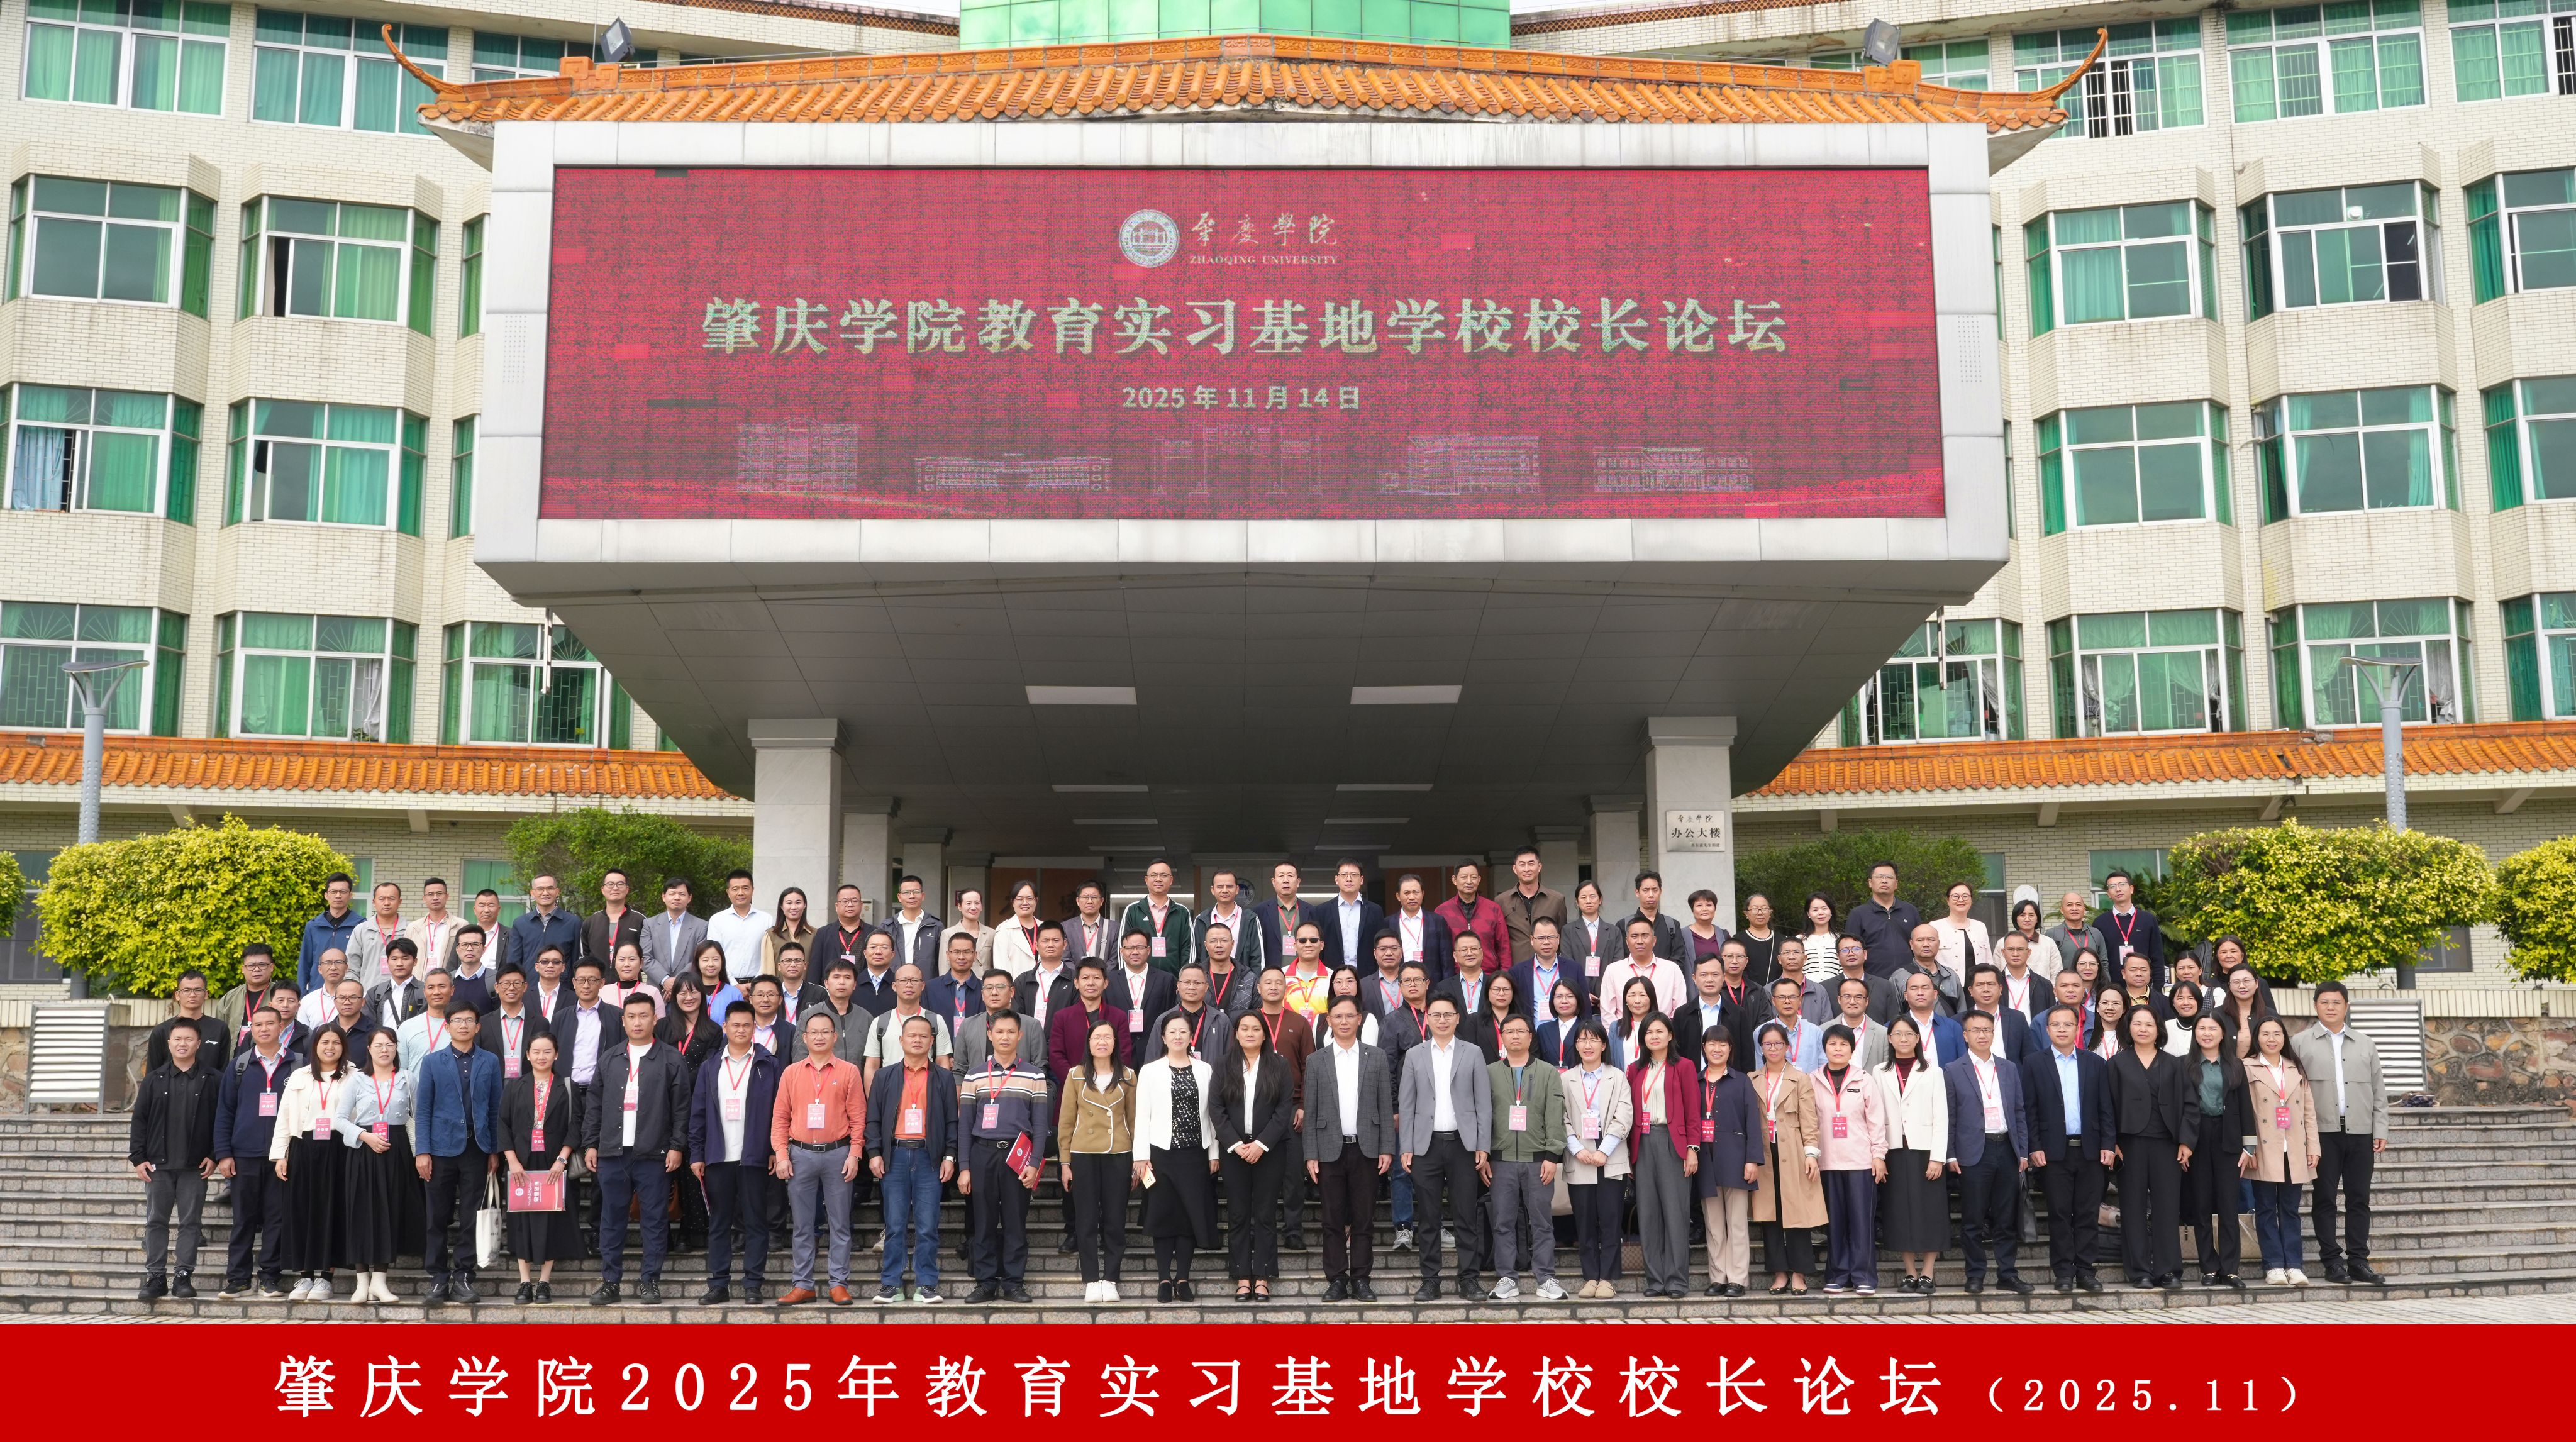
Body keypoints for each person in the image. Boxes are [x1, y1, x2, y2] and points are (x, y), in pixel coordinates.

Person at [583, 994, 691, 1305]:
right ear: (623, 1021)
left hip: (654, 1153)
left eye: (644, 1016)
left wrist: (677, 1146)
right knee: (611, 1219)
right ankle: (610, 1282)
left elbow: (681, 1108)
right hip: (613, 1152)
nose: (638, 1022)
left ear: (655, 1019)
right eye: (631, 1017)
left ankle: (650, 1282)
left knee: (654, 1220)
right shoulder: (610, 1058)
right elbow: (594, 1105)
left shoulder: (671, 1059)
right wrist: (590, 1144)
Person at [1294, 994, 1391, 1302]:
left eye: (1350, 1016)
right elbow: (1310, 1110)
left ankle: (1361, 1278)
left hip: (1366, 1148)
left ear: (1360, 1019)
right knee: (1332, 1219)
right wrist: (1311, 1153)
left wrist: (1387, 1148)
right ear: (1329, 1021)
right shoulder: (1317, 1060)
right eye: (1338, 1016)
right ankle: (1336, 1279)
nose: (1345, 1021)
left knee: (1364, 1219)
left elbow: (1385, 1106)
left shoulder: (1376, 1057)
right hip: (1329, 1149)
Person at [2292, 981, 2388, 1284]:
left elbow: (2378, 1091)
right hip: (2322, 1133)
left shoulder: (2365, 1044)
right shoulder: (2299, 1043)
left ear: (2346, 1006)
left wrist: (2380, 1128)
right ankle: (2332, 1262)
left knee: (2359, 1198)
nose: (2331, 1007)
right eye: (2324, 1002)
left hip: (2361, 1132)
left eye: (2336, 1002)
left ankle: (2359, 1261)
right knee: (2325, 1198)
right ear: (2315, 1006)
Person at [689, 1002, 782, 1305]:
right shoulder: (711, 1066)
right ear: (725, 1028)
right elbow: (698, 1113)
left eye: (746, 1025)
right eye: (735, 1025)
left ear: (754, 1028)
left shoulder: (769, 1064)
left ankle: (753, 1284)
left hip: (755, 1156)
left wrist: (774, 1149)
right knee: (719, 1223)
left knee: (756, 1221)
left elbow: (780, 1112)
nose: (741, 1030)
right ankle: (719, 1284)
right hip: (718, 1156)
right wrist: (697, 1153)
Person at [1398, 995, 1490, 1301]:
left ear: (1457, 1018)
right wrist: (1407, 1146)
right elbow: (1407, 1104)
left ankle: (1470, 1280)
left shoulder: (1472, 1052)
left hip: (1463, 1145)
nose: (1442, 1020)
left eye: (1448, 1015)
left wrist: (1483, 1144)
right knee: (1428, 1217)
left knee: (1465, 1216)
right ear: (1428, 1019)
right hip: (1426, 1146)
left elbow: (1483, 1103)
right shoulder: (1415, 1055)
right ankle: (1430, 1280)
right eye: (1436, 1015)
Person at [2020, 1002, 2115, 1294]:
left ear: (2077, 1029)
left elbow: (2106, 1108)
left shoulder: (2095, 1063)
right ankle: (2063, 1271)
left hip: (2090, 1151)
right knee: (2059, 1214)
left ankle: (2086, 1271)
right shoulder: (2034, 1063)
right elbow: (2029, 1110)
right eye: (2056, 1025)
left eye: (2068, 1025)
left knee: (2087, 1213)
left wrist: (2108, 1144)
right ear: (2047, 1030)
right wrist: (2034, 1147)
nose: (2062, 1030)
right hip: (2053, 1152)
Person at [773, 1011, 865, 1306]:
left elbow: (858, 1118)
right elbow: (780, 1118)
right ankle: (803, 1285)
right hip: (800, 1155)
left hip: (838, 1154)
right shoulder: (791, 1073)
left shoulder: (849, 1071)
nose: (820, 1037)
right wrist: (782, 1154)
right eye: (814, 1032)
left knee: (840, 1224)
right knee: (802, 1225)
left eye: (826, 1032)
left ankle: (838, 1283)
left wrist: (855, 1154)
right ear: (805, 1038)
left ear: (835, 1037)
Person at [411, 1003, 501, 1305]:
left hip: (477, 1148)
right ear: (447, 1026)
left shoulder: (490, 1061)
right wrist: (422, 1151)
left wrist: (495, 1150)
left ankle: (463, 1276)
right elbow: (423, 1109)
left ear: (478, 1027)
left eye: (469, 1020)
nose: (464, 1025)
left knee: (471, 1216)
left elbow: (495, 1108)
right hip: (439, 1150)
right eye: (458, 1020)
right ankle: (438, 1277)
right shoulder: (432, 1062)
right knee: (436, 1216)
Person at [865, 1013, 957, 1304]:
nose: (917, 1040)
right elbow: (873, 1119)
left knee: (927, 1226)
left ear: (932, 1042)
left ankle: (926, 1284)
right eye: (912, 1036)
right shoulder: (884, 1076)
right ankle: (891, 1284)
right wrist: (874, 1153)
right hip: (894, 1156)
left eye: (923, 1036)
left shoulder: (943, 1077)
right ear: (901, 1040)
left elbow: (952, 1121)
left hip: (930, 1157)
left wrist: (950, 1156)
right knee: (894, 1225)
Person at [957, 1011, 1047, 1303]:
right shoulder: (974, 1075)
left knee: (1015, 1222)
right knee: (983, 1222)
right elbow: (965, 1125)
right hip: (982, 1153)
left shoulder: (1034, 1075)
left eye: (1011, 1032)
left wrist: (1035, 1164)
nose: (1005, 1037)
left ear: (1020, 1036)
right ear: (990, 1035)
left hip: (1017, 1155)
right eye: (1000, 1032)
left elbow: (1041, 1125)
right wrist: (965, 1167)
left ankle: (1013, 1283)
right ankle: (985, 1283)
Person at [1945, 1009, 2035, 1295]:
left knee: (2006, 1218)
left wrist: (2023, 1151)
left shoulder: (2008, 1068)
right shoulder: (1953, 1070)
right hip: (1973, 1152)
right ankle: (1975, 1275)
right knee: (1973, 1219)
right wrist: (1950, 1154)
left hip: (2007, 1149)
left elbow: (2019, 1111)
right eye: (1976, 1030)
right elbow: (1950, 1116)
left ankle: (2007, 1274)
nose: (1982, 1035)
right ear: (1965, 1036)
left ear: (1994, 1034)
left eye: (1987, 1030)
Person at [130, 1019, 220, 1302]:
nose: (183, 1044)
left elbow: (221, 1121)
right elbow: (139, 1120)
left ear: (198, 1043)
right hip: (158, 1165)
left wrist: (215, 1155)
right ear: (169, 1044)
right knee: (156, 1221)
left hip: (195, 1166)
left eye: (189, 1039)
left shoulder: (213, 1079)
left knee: (191, 1222)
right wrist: (138, 1158)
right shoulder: (154, 1079)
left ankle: (183, 1276)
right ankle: (155, 1276)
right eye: (177, 1039)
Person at [1134, 1014, 1219, 1301]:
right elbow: (1142, 1115)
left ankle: (1183, 1278)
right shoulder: (1150, 1071)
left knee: (1188, 1217)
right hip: (1160, 1153)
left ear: (1191, 1036)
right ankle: (1163, 1279)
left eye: (1184, 1031)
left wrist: (1214, 1152)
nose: (1178, 1036)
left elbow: (1212, 1115)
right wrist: (1141, 1156)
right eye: (1172, 1032)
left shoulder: (1205, 1069)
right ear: (1163, 1037)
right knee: (1163, 1216)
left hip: (1195, 1153)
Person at [214, 1006, 297, 1298]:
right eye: (258, 1024)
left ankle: (270, 1277)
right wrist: (224, 1153)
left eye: (270, 1024)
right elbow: (225, 1112)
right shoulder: (239, 1065)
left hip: (282, 1156)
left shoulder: (298, 1064)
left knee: (277, 1218)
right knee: (244, 1219)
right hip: (244, 1154)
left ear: (281, 1027)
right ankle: (238, 1278)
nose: (264, 1029)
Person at [1482, 1014, 1567, 1301]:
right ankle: (1507, 1277)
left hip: (1538, 1160)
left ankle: (1546, 1278)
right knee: (1503, 1222)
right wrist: (1484, 1155)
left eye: (1522, 1031)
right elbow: (1483, 1116)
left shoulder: (1548, 1072)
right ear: (1502, 1037)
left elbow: (1555, 1116)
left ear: (1531, 1037)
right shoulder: (1489, 1072)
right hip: (1500, 1160)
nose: (1516, 1036)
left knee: (1542, 1222)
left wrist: (1553, 1155)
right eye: (1510, 1031)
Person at [333, 1026, 418, 1306]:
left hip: (397, 1150)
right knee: (360, 1212)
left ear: (396, 1048)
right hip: (364, 1150)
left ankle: (380, 1281)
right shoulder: (357, 1080)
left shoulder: (407, 1078)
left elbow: (416, 1117)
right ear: (369, 1049)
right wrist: (365, 1136)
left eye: (389, 1045)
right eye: (378, 1045)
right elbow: (339, 1120)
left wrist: (420, 1154)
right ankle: (362, 1282)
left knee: (390, 1212)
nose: (384, 1050)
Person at [1211, 1011, 1291, 1302]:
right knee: (1238, 1213)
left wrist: (1262, 1144)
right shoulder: (1223, 1064)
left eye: (1256, 1029)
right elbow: (1216, 1108)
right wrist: (1235, 1144)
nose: (1249, 1033)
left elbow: (1284, 1109)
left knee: (1266, 1213)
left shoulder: (1279, 1065)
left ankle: (1263, 1276)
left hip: (1269, 1150)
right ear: (1236, 1033)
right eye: (1244, 1028)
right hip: (1235, 1151)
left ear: (1264, 1034)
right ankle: (1242, 1276)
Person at [269, 1024, 352, 1301]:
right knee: (301, 1211)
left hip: (340, 1148)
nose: (330, 1047)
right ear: (315, 1046)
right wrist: (280, 1155)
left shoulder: (355, 1075)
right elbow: (284, 1117)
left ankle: (325, 1278)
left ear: (343, 1046)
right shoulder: (299, 1076)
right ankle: (304, 1276)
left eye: (336, 1042)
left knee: (332, 1210)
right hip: (303, 1147)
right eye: (324, 1042)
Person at [500, 1032, 583, 1303]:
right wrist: (512, 1160)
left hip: (554, 1164)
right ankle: (525, 1282)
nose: (541, 1057)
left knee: (552, 1220)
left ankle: (544, 1282)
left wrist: (562, 1159)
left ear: (556, 1055)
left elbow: (576, 1125)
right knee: (521, 1221)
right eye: (536, 1052)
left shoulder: (567, 1086)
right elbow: (503, 1123)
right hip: (521, 1164)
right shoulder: (514, 1086)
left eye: (547, 1051)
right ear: (527, 1055)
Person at [1057, 1019, 1137, 1302]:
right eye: (1097, 1037)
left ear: (1115, 1043)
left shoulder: (1128, 1076)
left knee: (1115, 1220)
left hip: (1119, 1154)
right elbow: (1066, 1122)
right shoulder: (1076, 1075)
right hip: (1084, 1154)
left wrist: (1138, 1159)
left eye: (1107, 1037)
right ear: (1089, 1043)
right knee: (1087, 1220)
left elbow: (1134, 1120)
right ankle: (1091, 1279)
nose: (1102, 1042)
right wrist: (1064, 1163)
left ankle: (1111, 1278)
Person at [2109, 1003, 2187, 1289]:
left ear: (2158, 1030)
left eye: (2149, 1024)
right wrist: (2111, 1142)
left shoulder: (2174, 1064)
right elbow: (2107, 1106)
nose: (2143, 1029)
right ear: (2128, 1028)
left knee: (2168, 1207)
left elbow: (2189, 1105)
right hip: (2129, 1144)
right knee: (2133, 1207)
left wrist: (2186, 1142)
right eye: (2137, 1024)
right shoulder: (2117, 1064)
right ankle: (2139, 1270)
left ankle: (2168, 1271)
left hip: (2167, 1144)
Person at [1621, 1014, 1698, 1299]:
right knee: (1648, 1214)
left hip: (1673, 1143)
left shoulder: (1684, 1066)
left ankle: (1677, 1280)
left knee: (1676, 1214)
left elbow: (1693, 1111)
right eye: (1648, 1032)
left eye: (1659, 1031)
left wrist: (1692, 1149)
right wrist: (1629, 1154)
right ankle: (1655, 1280)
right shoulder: (1635, 1069)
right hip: (1642, 1144)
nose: (1654, 1036)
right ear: (1643, 1038)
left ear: (1670, 1035)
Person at [1873, 1015, 1951, 1294]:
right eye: (1897, 1034)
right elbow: (1876, 1114)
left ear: (1918, 1038)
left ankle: (1928, 1273)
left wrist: (1938, 1157)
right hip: (1893, 1150)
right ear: (1890, 1038)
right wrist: (1879, 1154)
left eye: (1909, 1034)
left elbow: (1941, 1116)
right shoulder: (1879, 1071)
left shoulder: (1933, 1071)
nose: (1903, 1039)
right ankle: (1909, 1273)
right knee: (1899, 1212)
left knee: (1931, 1211)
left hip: (1925, 1150)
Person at [1809, 1023, 1887, 1296]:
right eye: (1832, 1044)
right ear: (1825, 1049)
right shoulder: (1813, 1080)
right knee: (1836, 1223)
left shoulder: (1864, 1079)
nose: (1838, 1049)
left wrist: (1879, 1155)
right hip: (1828, 1162)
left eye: (1844, 1044)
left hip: (1861, 1162)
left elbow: (1876, 1120)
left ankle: (1864, 1276)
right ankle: (1838, 1275)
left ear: (1852, 1050)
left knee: (1862, 1222)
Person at [1748, 1021, 1824, 1295]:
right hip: (1764, 1152)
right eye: (1767, 1044)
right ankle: (1779, 1273)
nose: (1773, 1048)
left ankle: (1799, 1274)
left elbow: (1810, 1119)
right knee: (1770, 1216)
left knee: (1797, 1214)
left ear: (1787, 1047)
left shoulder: (1800, 1078)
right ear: (1761, 1048)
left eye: (1778, 1043)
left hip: (1793, 1149)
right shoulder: (1752, 1079)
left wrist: (1811, 1153)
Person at [1556, 1019, 1631, 1297]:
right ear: (1576, 1045)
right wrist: (1578, 1150)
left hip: (1611, 1152)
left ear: (1604, 1044)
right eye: (1582, 1040)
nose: (1588, 1045)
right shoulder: (1565, 1079)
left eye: (1593, 1040)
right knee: (1585, 1221)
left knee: (1610, 1219)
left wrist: (1604, 1150)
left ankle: (1607, 1279)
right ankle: (1590, 1277)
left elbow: (1625, 1116)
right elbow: (1560, 1118)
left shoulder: (1618, 1076)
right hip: (1580, 1154)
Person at [2179, 1013, 2253, 1289]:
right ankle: (2209, 1267)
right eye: (2202, 1028)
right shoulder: (2183, 1065)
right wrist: (2182, 1143)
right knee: (2201, 1206)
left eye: (2213, 1028)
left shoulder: (2235, 1065)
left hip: (2228, 1138)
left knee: (2228, 1205)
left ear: (2223, 1034)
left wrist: (2249, 1146)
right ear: (2195, 1033)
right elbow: (2179, 1108)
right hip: (2197, 1138)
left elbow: (2246, 1106)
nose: (2207, 1033)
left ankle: (2230, 1269)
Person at [2246, 1017, 2321, 1285]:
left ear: (2284, 1038)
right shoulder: (2247, 1067)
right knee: (2266, 1208)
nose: (2272, 1039)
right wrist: (2249, 1147)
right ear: (2257, 1038)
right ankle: (2274, 1266)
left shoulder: (2295, 1068)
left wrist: (2313, 1146)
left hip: (2294, 1148)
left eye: (2277, 1033)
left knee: (2290, 1209)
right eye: (2265, 1034)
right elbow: (2245, 1113)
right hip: (2264, 1148)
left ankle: (2295, 1265)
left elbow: (2309, 1112)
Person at [1691, 1028, 1762, 1296]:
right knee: (1713, 1224)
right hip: (1705, 1161)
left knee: (1737, 1224)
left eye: (1723, 1044)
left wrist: (1752, 1160)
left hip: (1736, 1159)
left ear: (1731, 1049)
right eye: (1712, 1044)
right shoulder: (1695, 1082)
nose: (1717, 1049)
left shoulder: (1741, 1081)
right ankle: (1718, 1277)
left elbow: (1753, 1121)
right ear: (1704, 1047)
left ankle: (1738, 1279)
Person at [1437, 860, 1514, 984]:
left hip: (1489, 977)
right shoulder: (1442, 911)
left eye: (1473, 877)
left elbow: (1504, 947)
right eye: (1464, 877)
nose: (1469, 881)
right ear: (1454, 880)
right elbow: (1439, 951)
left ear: (1479, 880)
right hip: (1455, 978)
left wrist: (1504, 977)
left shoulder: (1493, 909)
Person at [1106, 928, 1178, 1058]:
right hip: (1119, 1053)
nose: (1135, 952)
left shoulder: (1166, 980)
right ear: (1122, 951)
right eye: (1129, 948)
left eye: (1140, 947)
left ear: (1149, 950)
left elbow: (1171, 1017)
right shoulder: (1109, 981)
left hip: (1156, 1052)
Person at [1846, 860, 1923, 977]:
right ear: (1870, 882)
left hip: (1909, 979)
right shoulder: (1858, 914)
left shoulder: (1910, 911)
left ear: (1896, 884)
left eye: (1889, 877)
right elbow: (1851, 950)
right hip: (1873, 980)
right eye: (1879, 877)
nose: (1884, 881)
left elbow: (1921, 944)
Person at [145, 968, 230, 1073]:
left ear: (206, 994)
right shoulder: (161, 1030)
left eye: (198, 990)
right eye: (186, 990)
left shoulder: (220, 1028)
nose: (192, 995)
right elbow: (152, 1074)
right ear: (177, 995)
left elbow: (224, 1072)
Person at [1601, 916, 1686, 1017]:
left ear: (1654, 940)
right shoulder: (1613, 970)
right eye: (1634, 936)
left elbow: (1680, 1009)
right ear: (1627, 942)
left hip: (1662, 1027)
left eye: (1645, 936)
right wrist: (1619, 1028)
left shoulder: (1671, 969)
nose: (1640, 941)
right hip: (1624, 1027)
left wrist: (1665, 1027)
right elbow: (1607, 1012)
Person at [958, 969, 1038, 1076]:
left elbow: (1039, 1068)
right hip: (978, 1086)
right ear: (982, 994)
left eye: (1000, 987)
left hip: (1020, 1085)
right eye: (989, 988)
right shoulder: (967, 1026)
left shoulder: (1031, 1026)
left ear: (1012, 992)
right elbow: (959, 1071)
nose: (994, 993)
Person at [1121, 858, 1193, 973]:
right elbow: (1123, 947)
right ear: (1146, 880)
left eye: (1163, 875)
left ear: (1171, 880)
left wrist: (1185, 978)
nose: (1158, 879)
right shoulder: (1133, 910)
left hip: (1174, 979)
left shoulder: (1182, 912)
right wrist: (1126, 977)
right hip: (1141, 978)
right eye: (1154, 875)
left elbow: (1188, 948)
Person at [1497, 847, 1565, 967]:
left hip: (1548, 969)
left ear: (1539, 867)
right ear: (1515, 869)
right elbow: (1499, 940)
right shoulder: (1502, 901)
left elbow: (1562, 939)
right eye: (1522, 864)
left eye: (1531, 864)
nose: (1527, 869)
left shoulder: (1557, 900)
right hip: (1515, 969)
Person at [509, 873, 584, 981]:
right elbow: (513, 962)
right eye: (540, 889)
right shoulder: (520, 923)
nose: (545, 893)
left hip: (562, 987)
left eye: (550, 888)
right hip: (529, 987)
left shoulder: (573, 923)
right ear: (533, 893)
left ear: (557, 892)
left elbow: (577, 960)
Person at [479, 965, 549, 1080]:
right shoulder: (483, 1024)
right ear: (497, 987)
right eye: (506, 984)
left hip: (529, 1086)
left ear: (525, 987)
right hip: (494, 1086)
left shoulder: (541, 1023)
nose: (511, 988)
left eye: (517, 983)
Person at [2100, 868, 2167, 986]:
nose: (2118, 889)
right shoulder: (2101, 922)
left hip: (2143, 986)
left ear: (2131, 889)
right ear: (2108, 894)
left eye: (2122, 884)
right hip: (2112, 988)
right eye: (2112, 887)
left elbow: (2157, 956)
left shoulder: (2148, 920)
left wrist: (2158, 987)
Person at [704, 869, 771, 984]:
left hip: (759, 985)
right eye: (735, 889)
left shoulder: (767, 919)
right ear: (728, 892)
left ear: (753, 890)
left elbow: (769, 955)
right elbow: (715, 955)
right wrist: (734, 984)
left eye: (745, 888)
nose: (741, 893)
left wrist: (756, 983)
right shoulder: (717, 920)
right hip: (726, 984)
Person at [298, 872, 361, 992]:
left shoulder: (360, 926)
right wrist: (302, 994)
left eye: (343, 892)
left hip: (350, 993)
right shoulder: (313, 926)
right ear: (326, 895)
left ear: (350, 895)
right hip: (317, 991)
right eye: (333, 892)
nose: (338, 896)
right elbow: (304, 963)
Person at [1320, 858, 1386, 971]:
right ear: (1337, 879)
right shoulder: (1322, 911)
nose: (1349, 879)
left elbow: (1381, 944)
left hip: (1367, 974)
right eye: (1344, 875)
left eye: (1354, 875)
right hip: (1333, 974)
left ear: (1361, 880)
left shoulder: (1375, 910)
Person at [1387, 872, 1455, 980]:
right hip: (1400, 982)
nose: (1412, 897)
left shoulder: (1437, 921)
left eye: (1416, 892)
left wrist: (1447, 985)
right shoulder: (1388, 923)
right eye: (1407, 893)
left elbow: (1446, 960)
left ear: (1423, 894)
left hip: (1432, 984)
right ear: (1398, 896)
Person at [641, 876, 708, 986]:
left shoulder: (701, 926)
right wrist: (665, 980)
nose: (677, 898)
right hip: (656, 988)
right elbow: (645, 957)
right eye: (672, 894)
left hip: (688, 987)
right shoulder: (649, 924)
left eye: (682, 894)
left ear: (689, 898)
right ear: (664, 897)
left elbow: (699, 958)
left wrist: (677, 983)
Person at [212, 945, 284, 1046]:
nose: (256, 969)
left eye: (262, 965)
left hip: (271, 1054)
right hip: (234, 1055)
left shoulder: (282, 996)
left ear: (271, 967)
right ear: (243, 969)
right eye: (251, 965)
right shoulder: (229, 999)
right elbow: (218, 1034)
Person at [1192, 868, 1262, 972]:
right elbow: (1196, 957)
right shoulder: (1201, 920)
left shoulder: (1250, 919)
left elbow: (1258, 958)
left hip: (1242, 979)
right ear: (1212, 890)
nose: (1225, 890)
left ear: (1237, 889)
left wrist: (1253, 981)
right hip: (1209, 979)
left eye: (1230, 886)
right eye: (1220, 887)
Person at [1929, 880, 1992, 992]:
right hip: (1947, 989)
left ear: (1971, 900)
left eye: (1965, 896)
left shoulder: (1980, 927)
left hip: (1979, 989)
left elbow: (1989, 961)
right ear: (1948, 900)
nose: (1961, 900)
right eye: (1955, 896)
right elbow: (1929, 961)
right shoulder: (1935, 927)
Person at [1962, 963, 2033, 1062]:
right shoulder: (1959, 1021)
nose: (1986, 990)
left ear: (2000, 989)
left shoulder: (2017, 1018)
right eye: (1980, 985)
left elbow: (2028, 1056)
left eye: (1991, 984)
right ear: (1971, 991)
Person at [584, 867, 647, 975]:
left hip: (631, 984)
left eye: (620, 884)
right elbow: (584, 956)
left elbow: (647, 955)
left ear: (627, 889)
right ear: (603, 890)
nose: (615, 888)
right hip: (597, 983)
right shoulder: (590, 922)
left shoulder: (640, 920)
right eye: (610, 884)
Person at [879, 874, 945, 975]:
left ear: (923, 896)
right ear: (899, 897)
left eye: (916, 892)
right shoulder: (887, 927)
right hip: (894, 982)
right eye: (906, 892)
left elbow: (942, 961)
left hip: (927, 983)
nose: (912, 896)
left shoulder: (935, 926)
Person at [811, 882, 875, 980]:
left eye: (854, 901)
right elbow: (815, 968)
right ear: (837, 906)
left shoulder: (874, 933)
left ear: (861, 905)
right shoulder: (823, 933)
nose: (850, 905)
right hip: (831, 989)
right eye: (845, 901)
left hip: (865, 988)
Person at [2046, 892, 2111, 988]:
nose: (2074, 908)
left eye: (2078, 905)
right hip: (2067, 989)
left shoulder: (2095, 933)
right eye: (2069, 905)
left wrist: (2107, 988)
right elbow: (2048, 967)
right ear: (2062, 910)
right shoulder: (2053, 934)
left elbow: (2104, 964)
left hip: (2094, 990)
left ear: (2084, 909)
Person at [1459, 967, 1522, 1063]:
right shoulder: (1474, 1021)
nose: (1501, 994)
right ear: (1487, 992)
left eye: (1506, 989)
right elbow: (1469, 1057)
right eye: (1496, 989)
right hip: (1484, 1072)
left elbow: (1533, 1054)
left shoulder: (1524, 1022)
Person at [366, 934, 430, 1028]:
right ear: (387, 962)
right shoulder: (375, 993)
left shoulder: (426, 991)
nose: (399, 964)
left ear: (415, 961)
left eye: (405, 958)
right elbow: (368, 1026)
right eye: (394, 959)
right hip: (383, 1037)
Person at [992, 880, 1046, 979]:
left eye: (1030, 898)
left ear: (1036, 901)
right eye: (1020, 899)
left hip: (1044, 985)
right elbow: (1001, 967)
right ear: (1013, 902)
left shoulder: (1045, 927)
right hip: (1016, 986)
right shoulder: (1004, 930)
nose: (1025, 903)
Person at [601, 941, 667, 1019]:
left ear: (641, 963)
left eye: (632, 959)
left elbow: (661, 1024)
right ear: (615, 963)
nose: (626, 964)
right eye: (622, 960)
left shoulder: (652, 992)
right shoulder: (603, 992)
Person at [762, 885, 815, 977]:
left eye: (798, 903)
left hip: (808, 986)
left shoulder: (816, 934)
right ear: (782, 906)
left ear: (805, 905)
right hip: (780, 986)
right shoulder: (771, 935)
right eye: (789, 903)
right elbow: (768, 971)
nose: (794, 907)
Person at [943, 886, 997, 975]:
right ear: (960, 907)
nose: (973, 907)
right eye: (968, 903)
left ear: (981, 906)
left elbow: (995, 965)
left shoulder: (991, 933)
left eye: (977, 903)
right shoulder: (948, 933)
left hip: (985, 982)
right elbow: (944, 967)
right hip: (958, 982)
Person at [2007, 897, 2065, 981]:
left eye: (2031, 915)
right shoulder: (2003, 943)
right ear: (2016, 918)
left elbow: (2057, 973)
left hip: (2044, 989)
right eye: (2022, 915)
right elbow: (1997, 973)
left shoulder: (2048, 943)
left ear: (2037, 918)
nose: (2027, 919)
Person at [1607, 975, 1658, 1069]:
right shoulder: (1615, 1027)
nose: (1637, 1001)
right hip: (1623, 1078)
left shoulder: (1661, 1027)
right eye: (1632, 995)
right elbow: (1611, 1061)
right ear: (1625, 999)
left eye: (1643, 995)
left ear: (1652, 998)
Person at [1997, 931, 2050, 1019]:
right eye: (2010, 949)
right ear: (2003, 952)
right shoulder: (1995, 983)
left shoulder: (2044, 985)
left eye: (2020, 949)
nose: (2015, 954)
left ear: (2029, 953)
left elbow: (2050, 1017)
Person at [1735, 891, 1782, 987]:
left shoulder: (1782, 940)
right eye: (1755, 909)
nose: (1760, 913)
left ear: (1770, 912)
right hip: (1748, 992)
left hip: (1779, 992)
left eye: (1764, 909)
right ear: (1746, 914)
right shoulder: (1737, 940)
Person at [1535, 979, 1586, 1067]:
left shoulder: (1588, 1029)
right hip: (1550, 1076)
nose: (1564, 1001)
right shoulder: (1543, 1030)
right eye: (1559, 997)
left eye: (1570, 996)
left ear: (1578, 999)